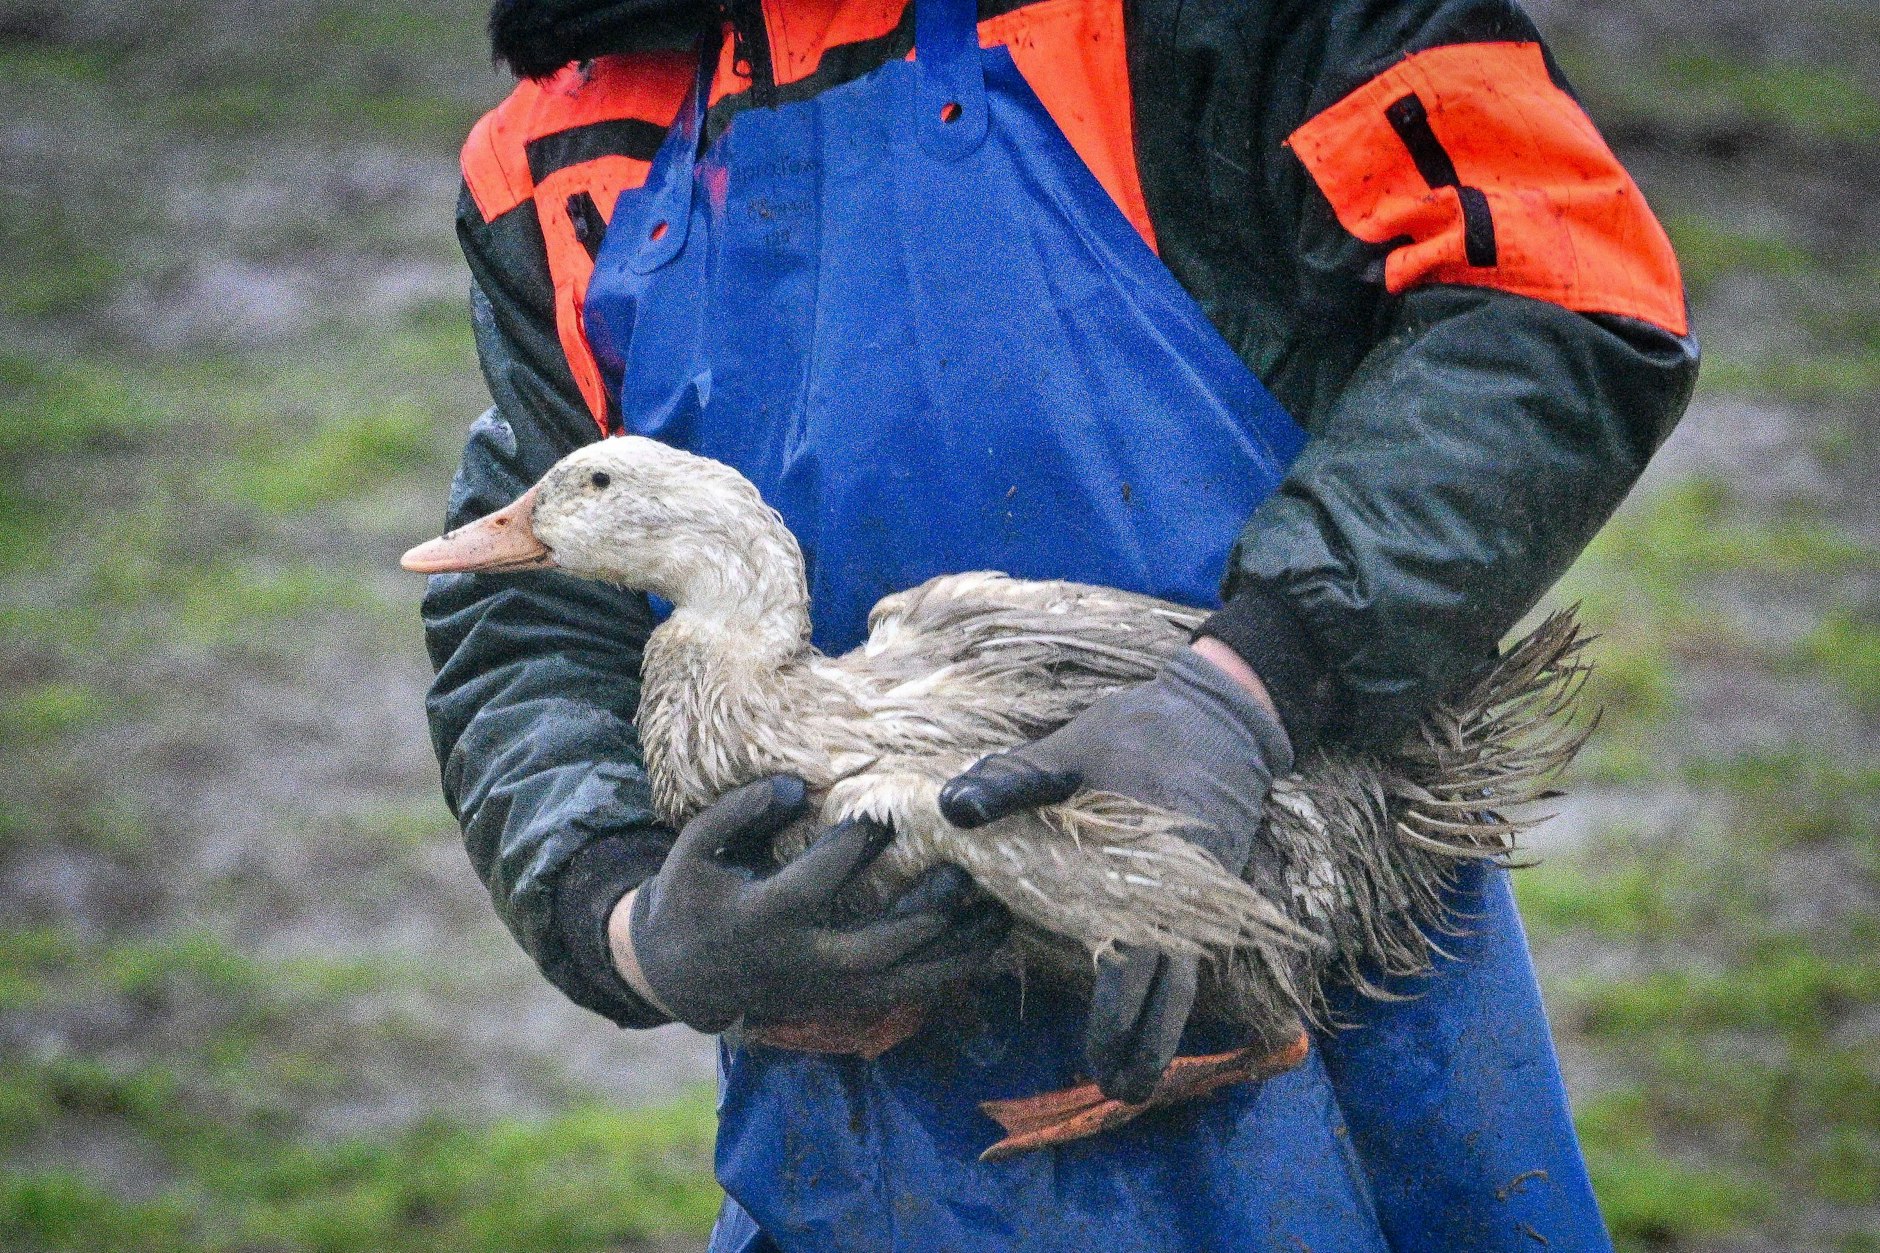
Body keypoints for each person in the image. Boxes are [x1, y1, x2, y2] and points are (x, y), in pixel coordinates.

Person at [420, 0, 1697, 1246]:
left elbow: (1555, 294)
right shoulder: (563, 144)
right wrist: (632, 923)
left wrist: (1244, 689)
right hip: (857, 1167)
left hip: (1332, 1067)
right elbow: (526, 606)